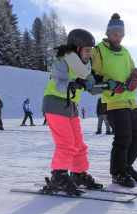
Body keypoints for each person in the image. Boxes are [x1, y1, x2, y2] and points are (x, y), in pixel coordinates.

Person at [42, 28, 103, 195]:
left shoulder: (85, 67)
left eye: (91, 51)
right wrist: (75, 83)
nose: (89, 54)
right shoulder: (62, 61)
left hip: (71, 108)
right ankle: (59, 176)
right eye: (86, 50)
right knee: (66, 144)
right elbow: (60, 84)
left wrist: (109, 85)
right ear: (77, 48)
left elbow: (93, 89)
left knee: (78, 144)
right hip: (55, 104)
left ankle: (78, 173)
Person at [92, 13, 137, 187]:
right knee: (123, 138)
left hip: (131, 101)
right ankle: (117, 173)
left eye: (121, 35)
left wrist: (135, 79)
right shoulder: (99, 50)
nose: (118, 38)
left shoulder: (125, 51)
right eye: (115, 34)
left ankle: (125, 166)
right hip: (114, 102)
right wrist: (109, 84)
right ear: (108, 34)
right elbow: (93, 77)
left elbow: (134, 70)